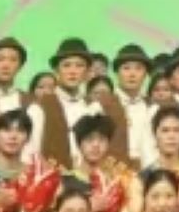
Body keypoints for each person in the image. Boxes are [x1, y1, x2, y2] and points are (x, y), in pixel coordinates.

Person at [30, 38, 130, 166]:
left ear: (87, 71)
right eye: (66, 65)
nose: (72, 71)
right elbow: (30, 155)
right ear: (56, 70)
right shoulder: (40, 108)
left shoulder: (95, 108)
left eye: (79, 65)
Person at [0, 37, 34, 122]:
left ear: (20, 66)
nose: (6, 65)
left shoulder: (31, 103)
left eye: (13, 60)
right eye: (0, 59)